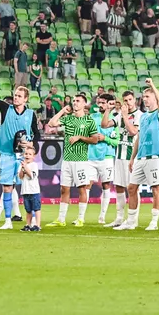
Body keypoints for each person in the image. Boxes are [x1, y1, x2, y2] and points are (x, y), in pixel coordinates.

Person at [0, 69, 40, 230]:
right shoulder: (5, 109)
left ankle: (33, 219)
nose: (16, 98)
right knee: (7, 187)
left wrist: (31, 146)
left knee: (29, 188)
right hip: (8, 155)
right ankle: (8, 221)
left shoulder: (31, 114)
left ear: (26, 99)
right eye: (15, 95)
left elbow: (37, 134)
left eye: (19, 96)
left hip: (23, 156)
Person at [47, 93, 105, 227]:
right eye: (73, 101)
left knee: (82, 189)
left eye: (77, 101)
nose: (75, 103)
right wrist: (62, 110)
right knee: (64, 189)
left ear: (84, 104)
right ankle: (61, 219)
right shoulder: (68, 119)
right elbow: (52, 123)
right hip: (67, 160)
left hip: (81, 160)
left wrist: (80, 137)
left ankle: (80, 218)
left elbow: (95, 139)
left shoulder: (89, 120)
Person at [117, 81, 159, 231]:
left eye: (147, 96)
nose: (144, 99)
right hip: (141, 157)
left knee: (155, 189)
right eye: (143, 97)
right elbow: (139, 137)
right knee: (131, 188)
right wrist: (133, 157)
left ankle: (154, 221)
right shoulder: (144, 117)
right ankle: (131, 221)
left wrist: (153, 85)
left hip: (154, 157)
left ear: (154, 99)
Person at [103, 90, 140, 228]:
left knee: (132, 188)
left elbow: (133, 131)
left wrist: (124, 116)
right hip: (119, 156)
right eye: (125, 100)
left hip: (132, 157)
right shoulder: (119, 115)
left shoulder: (139, 115)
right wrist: (107, 110)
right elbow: (104, 125)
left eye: (130, 100)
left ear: (134, 100)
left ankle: (133, 220)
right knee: (119, 186)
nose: (128, 103)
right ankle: (119, 218)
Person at [87, 93, 117, 225]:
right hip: (91, 155)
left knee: (106, 185)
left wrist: (106, 139)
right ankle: (81, 216)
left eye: (103, 103)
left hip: (107, 157)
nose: (100, 105)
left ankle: (102, 216)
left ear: (110, 104)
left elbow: (117, 142)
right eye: (99, 102)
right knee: (87, 184)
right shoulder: (92, 117)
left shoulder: (115, 120)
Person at [19, 142, 42, 231]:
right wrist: (22, 168)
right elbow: (20, 176)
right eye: (26, 154)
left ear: (33, 156)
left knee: (36, 208)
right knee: (28, 209)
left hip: (34, 191)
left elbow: (31, 176)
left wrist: (26, 167)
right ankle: (28, 225)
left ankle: (37, 225)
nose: (27, 156)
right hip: (25, 191)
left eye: (30, 154)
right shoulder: (22, 165)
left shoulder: (34, 165)